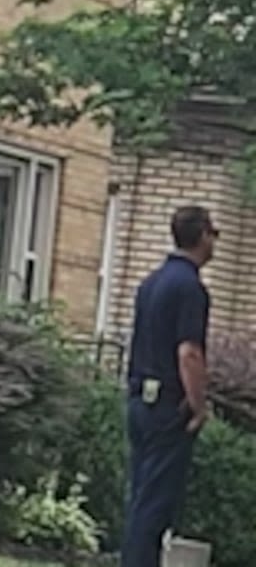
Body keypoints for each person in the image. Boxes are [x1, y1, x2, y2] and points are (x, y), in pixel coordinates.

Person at [121, 205, 216, 567]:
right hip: (167, 406)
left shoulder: (151, 283)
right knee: (156, 504)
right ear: (203, 235)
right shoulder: (191, 288)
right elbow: (189, 352)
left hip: (139, 401)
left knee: (140, 496)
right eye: (214, 233)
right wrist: (198, 405)